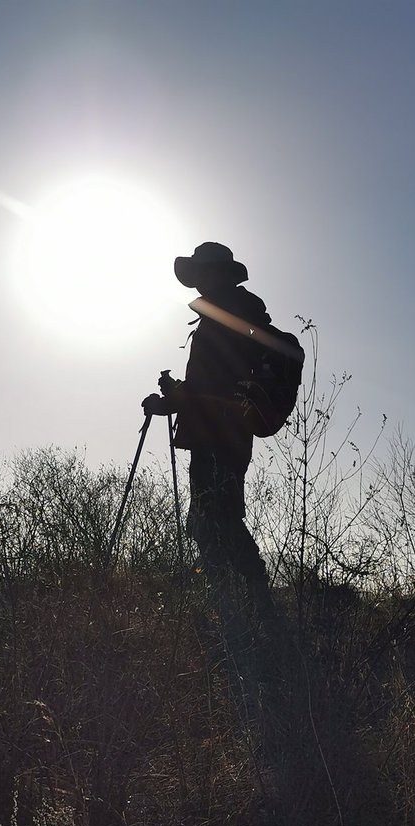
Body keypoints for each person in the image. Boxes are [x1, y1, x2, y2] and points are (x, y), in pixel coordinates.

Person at [143, 241, 287, 610]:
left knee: (215, 521)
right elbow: (214, 384)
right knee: (214, 519)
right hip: (224, 433)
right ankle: (242, 602)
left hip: (218, 435)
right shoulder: (236, 313)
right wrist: (175, 397)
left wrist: (171, 401)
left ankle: (245, 604)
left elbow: (211, 384)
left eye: (202, 272)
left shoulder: (227, 315)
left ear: (216, 273)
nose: (197, 282)